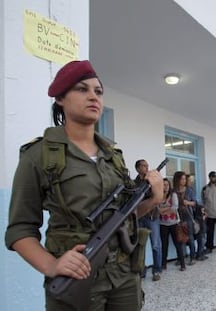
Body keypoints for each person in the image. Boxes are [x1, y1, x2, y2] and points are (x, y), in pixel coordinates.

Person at [4, 60, 163, 311]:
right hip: (77, 280)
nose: (93, 97)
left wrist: (153, 199)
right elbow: (20, 229)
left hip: (124, 276)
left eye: (98, 92)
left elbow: (123, 217)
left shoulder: (113, 155)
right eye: (82, 89)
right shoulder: (39, 155)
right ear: (60, 98)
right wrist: (51, 265)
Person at [135, 159, 162, 281]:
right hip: (140, 216)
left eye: (147, 165)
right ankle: (142, 270)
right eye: (144, 166)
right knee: (141, 245)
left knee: (156, 245)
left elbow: (158, 196)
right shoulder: (133, 183)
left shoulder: (152, 180)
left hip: (152, 216)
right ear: (137, 168)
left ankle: (157, 270)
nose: (146, 168)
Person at [158, 178, 186, 270]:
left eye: (167, 185)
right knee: (164, 245)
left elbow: (175, 208)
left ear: (169, 186)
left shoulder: (173, 195)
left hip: (174, 223)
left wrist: (163, 211)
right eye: (163, 184)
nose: (165, 186)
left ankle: (182, 264)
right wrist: (167, 209)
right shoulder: (159, 196)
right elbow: (157, 209)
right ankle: (163, 264)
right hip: (163, 224)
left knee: (178, 244)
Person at [173, 171, 197, 265]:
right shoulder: (173, 191)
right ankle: (181, 258)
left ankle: (192, 257)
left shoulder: (189, 190)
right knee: (180, 238)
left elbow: (195, 203)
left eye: (184, 179)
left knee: (190, 237)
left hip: (188, 216)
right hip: (177, 217)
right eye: (181, 179)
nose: (183, 181)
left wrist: (188, 202)